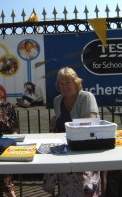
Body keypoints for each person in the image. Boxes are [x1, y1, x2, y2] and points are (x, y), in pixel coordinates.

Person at [43, 67, 101, 197]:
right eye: (61, 84)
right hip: (64, 149)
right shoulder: (57, 100)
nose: (65, 86)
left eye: (68, 82)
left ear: (75, 82)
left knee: (79, 181)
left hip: (84, 149)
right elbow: (58, 125)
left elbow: (89, 125)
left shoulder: (86, 97)